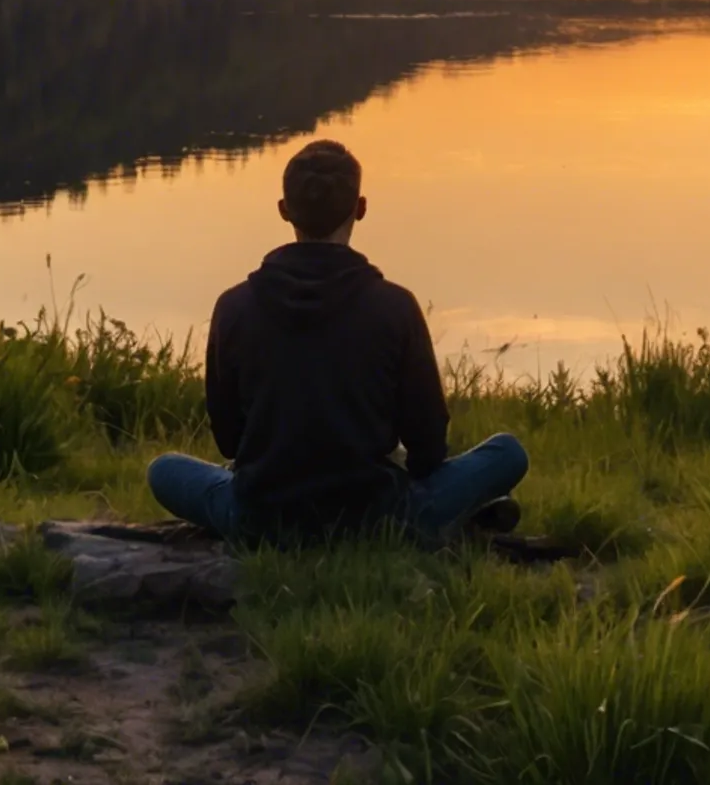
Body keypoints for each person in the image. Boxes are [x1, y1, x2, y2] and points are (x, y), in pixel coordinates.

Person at [146, 139, 526, 542]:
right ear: (360, 209)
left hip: (260, 517)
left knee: (165, 470)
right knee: (507, 453)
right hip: (379, 521)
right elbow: (428, 448)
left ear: (283, 209)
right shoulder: (395, 307)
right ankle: (460, 515)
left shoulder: (233, 307)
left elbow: (229, 442)